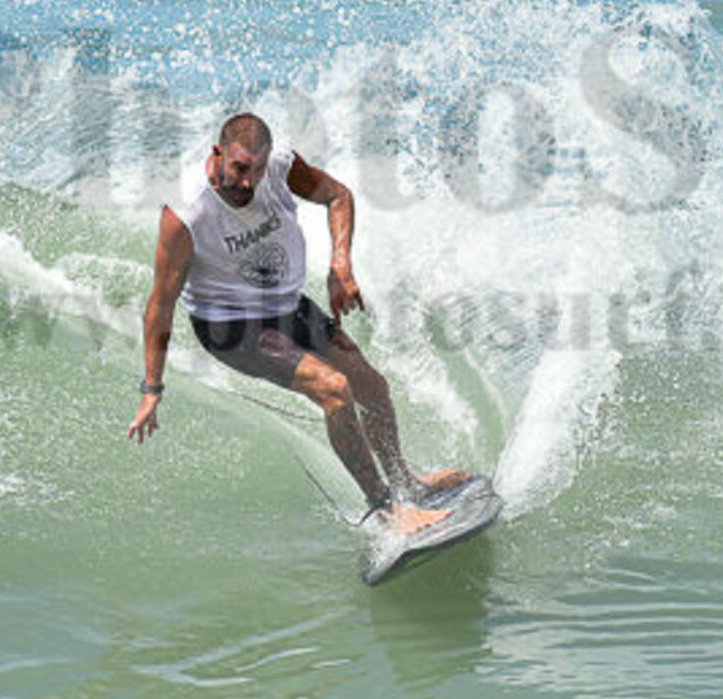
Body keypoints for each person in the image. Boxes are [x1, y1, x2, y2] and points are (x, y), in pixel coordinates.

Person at [129, 112, 469, 534]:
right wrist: (152, 389)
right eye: (239, 168)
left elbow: (338, 196)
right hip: (230, 326)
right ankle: (386, 509)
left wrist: (341, 264)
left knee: (372, 387)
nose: (248, 183)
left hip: (287, 307)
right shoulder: (186, 213)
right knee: (334, 389)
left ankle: (406, 483)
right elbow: (160, 305)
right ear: (218, 153)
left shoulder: (280, 168)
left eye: (256, 170)